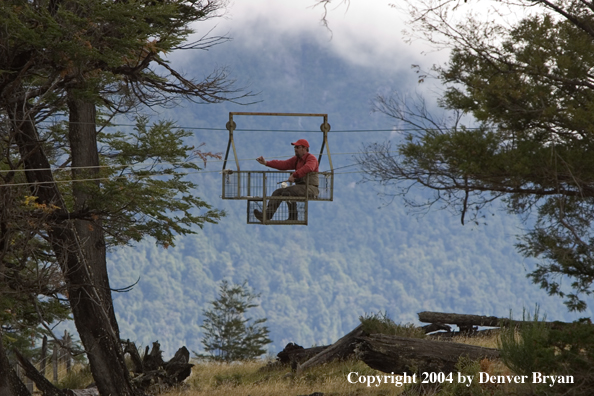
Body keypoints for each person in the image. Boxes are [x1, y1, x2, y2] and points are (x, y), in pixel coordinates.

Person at [254, 139, 319, 222]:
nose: (295, 149)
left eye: (297, 147)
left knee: (288, 191)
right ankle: (266, 215)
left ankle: (293, 217)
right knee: (277, 192)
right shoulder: (296, 160)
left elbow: (308, 168)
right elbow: (283, 164)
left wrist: (294, 175)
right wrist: (266, 163)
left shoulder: (311, 159)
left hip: (311, 188)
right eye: (295, 147)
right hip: (300, 187)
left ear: (304, 148)